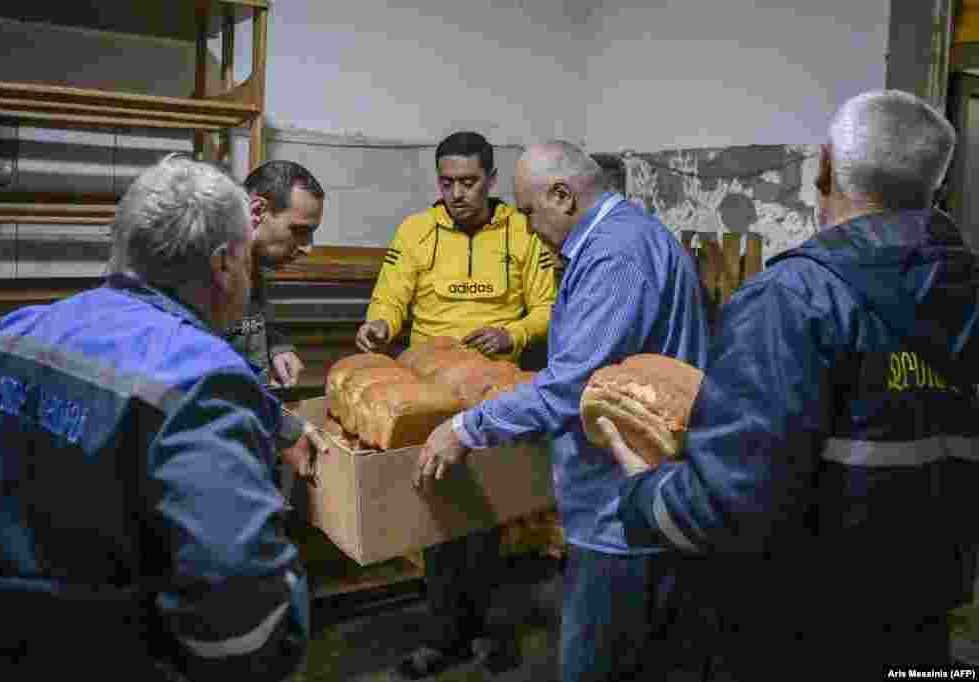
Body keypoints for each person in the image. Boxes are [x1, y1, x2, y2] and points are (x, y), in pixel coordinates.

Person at [608, 89, 979, 679]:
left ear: (827, 167)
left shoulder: (794, 299)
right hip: (923, 625)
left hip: (799, 634)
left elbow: (727, 507)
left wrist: (643, 490)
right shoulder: (967, 293)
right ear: (932, 182)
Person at [0, 155, 321, 681]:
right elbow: (246, 622)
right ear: (224, 265)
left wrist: (278, 422)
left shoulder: (7, 334)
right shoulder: (206, 380)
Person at [415, 140, 711, 682]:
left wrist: (467, 426)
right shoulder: (621, 239)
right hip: (623, 499)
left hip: (620, 511)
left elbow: (574, 383)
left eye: (529, 211)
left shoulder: (615, 253)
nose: (526, 227)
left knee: (595, 664)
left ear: (564, 196)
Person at [356, 131, 558, 679]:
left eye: (468, 182)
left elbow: (546, 307)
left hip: (493, 385)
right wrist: (381, 324)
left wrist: (512, 333)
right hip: (429, 386)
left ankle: (491, 632)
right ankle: (442, 636)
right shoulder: (417, 231)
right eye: (446, 183)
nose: (456, 193)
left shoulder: (522, 229)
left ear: (491, 181)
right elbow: (391, 293)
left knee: (493, 510)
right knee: (439, 514)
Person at [238, 160, 328, 485]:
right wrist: (286, 432)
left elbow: (251, 313)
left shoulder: (249, 258)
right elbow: (211, 379)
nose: (308, 247)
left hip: (251, 429)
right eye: (299, 230)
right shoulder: (208, 268)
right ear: (258, 210)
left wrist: (275, 345)